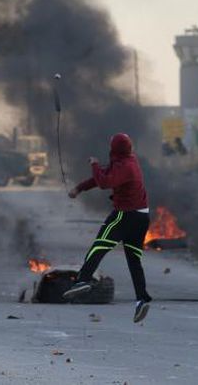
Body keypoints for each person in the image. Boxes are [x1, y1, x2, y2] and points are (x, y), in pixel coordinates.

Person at [63, 133, 152, 323]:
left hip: (125, 215)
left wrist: (94, 163)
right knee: (134, 260)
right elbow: (104, 176)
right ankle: (142, 299)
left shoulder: (125, 166)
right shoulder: (128, 161)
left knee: (99, 246)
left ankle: (82, 280)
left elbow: (104, 182)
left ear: (114, 149)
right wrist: (79, 188)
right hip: (142, 216)